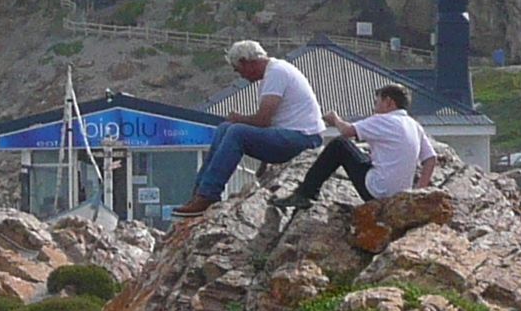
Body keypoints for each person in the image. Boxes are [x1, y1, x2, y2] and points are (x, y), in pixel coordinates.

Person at [173, 41, 325, 217]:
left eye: (239, 70)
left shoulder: (277, 72)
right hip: (292, 136)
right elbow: (275, 123)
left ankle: (209, 195)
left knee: (236, 131)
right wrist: (265, 161)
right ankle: (200, 192)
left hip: (305, 139)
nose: (241, 76)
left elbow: (263, 120)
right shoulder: (272, 73)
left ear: (246, 61)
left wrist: (239, 118)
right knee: (225, 128)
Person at [289, 81, 436, 209]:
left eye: (376, 102)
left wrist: (334, 119)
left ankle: (305, 194)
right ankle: (305, 193)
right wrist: (417, 193)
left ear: (388, 102)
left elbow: (348, 131)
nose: (374, 107)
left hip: (377, 191)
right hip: (400, 195)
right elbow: (430, 158)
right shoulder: (414, 125)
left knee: (340, 145)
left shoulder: (384, 120)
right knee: (364, 155)